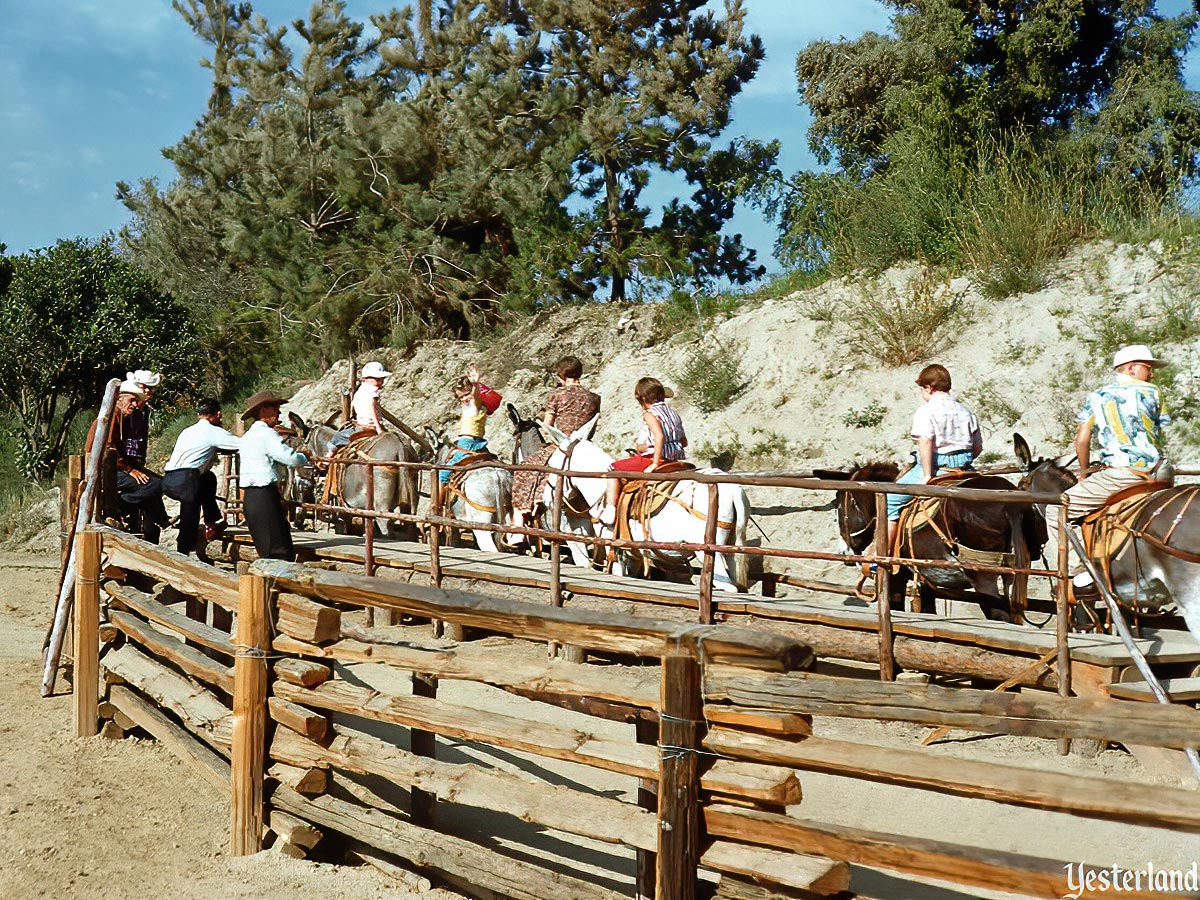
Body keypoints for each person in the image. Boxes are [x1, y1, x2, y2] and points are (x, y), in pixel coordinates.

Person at [1057, 344, 1172, 590]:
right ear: (1131, 369)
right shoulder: (1154, 392)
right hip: (1161, 471)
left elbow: (1082, 440)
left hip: (1124, 474)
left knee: (1059, 509)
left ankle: (1080, 570)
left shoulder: (1098, 397)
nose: (1151, 374)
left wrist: (1084, 473)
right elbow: (1160, 432)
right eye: (1148, 368)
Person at [886, 364, 983, 550]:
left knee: (890, 499)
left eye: (922, 388)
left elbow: (926, 441)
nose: (922, 393)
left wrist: (927, 475)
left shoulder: (926, 410)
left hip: (938, 466)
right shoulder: (966, 412)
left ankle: (883, 555)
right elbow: (978, 447)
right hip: (964, 468)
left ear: (929, 388)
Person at [510, 356, 602, 541]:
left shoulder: (556, 395)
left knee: (525, 468)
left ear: (561, 375)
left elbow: (548, 424)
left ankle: (518, 527)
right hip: (585, 444)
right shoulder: (594, 398)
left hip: (562, 444)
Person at [85, 379, 169, 543]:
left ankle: (156, 522)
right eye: (131, 400)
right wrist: (129, 470)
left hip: (114, 467)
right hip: (104, 470)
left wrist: (134, 467)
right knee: (155, 485)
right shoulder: (111, 418)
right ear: (119, 400)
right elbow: (110, 450)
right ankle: (124, 504)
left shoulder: (119, 417)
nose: (133, 404)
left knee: (157, 483)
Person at [598, 377, 686, 527]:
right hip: (676, 459)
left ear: (644, 399)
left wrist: (655, 462)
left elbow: (659, 436)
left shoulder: (649, 414)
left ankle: (611, 510)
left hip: (656, 458)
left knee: (612, 469)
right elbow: (684, 441)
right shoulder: (673, 413)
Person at [162, 398, 241, 557]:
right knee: (190, 514)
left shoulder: (187, 431)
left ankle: (211, 522)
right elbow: (240, 444)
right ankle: (183, 551)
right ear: (218, 414)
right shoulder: (213, 431)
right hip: (186, 478)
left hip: (169, 479)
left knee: (208, 478)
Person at [239, 390, 309, 560]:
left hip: (251, 496)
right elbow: (289, 457)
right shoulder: (267, 434)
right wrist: (305, 456)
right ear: (263, 411)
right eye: (275, 408)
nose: (279, 412)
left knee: (266, 548)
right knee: (280, 550)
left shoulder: (248, 436)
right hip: (264, 495)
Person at [437, 365, 502, 505]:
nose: (464, 399)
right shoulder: (475, 408)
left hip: (467, 444)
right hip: (478, 443)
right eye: (461, 397)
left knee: (443, 473)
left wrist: (475, 385)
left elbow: (476, 397)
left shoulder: (475, 404)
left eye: (467, 394)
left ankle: (436, 506)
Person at [331, 361, 391, 449]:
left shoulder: (366, 390)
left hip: (365, 427)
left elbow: (371, 409)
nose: (381, 382)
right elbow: (371, 409)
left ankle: (328, 456)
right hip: (371, 425)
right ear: (366, 379)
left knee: (336, 438)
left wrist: (378, 428)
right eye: (377, 379)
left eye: (382, 379)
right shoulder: (371, 391)